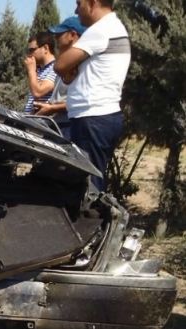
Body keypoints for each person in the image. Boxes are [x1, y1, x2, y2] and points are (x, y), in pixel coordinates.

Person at [54, 0, 130, 191]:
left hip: (92, 118)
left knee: (89, 186)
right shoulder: (112, 28)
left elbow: (60, 66)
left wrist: (68, 60)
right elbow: (69, 75)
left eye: (79, 3)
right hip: (98, 118)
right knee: (90, 182)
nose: (76, 10)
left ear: (92, 3)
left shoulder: (100, 30)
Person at [35, 17, 86, 140]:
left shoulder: (82, 65)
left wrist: (52, 108)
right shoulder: (64, 62)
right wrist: (47, 106)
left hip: (71, 126)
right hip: (57, 124)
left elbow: (82, 100)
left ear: (72, 35)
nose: (56, 39)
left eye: (59, 35)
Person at [23, 31, 57, 114]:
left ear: (45, 48)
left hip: (42, 119)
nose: (29, 54)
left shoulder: (56, 69)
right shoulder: (38, 70)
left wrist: (31, 71)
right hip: (30, 118)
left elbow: (38, 92)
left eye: (32, 50)